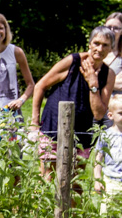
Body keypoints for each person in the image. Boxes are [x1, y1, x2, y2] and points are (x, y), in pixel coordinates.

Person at [30, 26, 116, 181]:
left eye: (105, 45)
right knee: (47, 178)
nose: (99, 48)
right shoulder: (73, 62)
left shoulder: (108, 75)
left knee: (74, 183)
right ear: (89, 44)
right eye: (96, 43)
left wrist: (93, 84)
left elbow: (98, 113)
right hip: (54, 127)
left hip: (82, 133)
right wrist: (34, 123)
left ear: (111, 49)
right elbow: (40, 86)